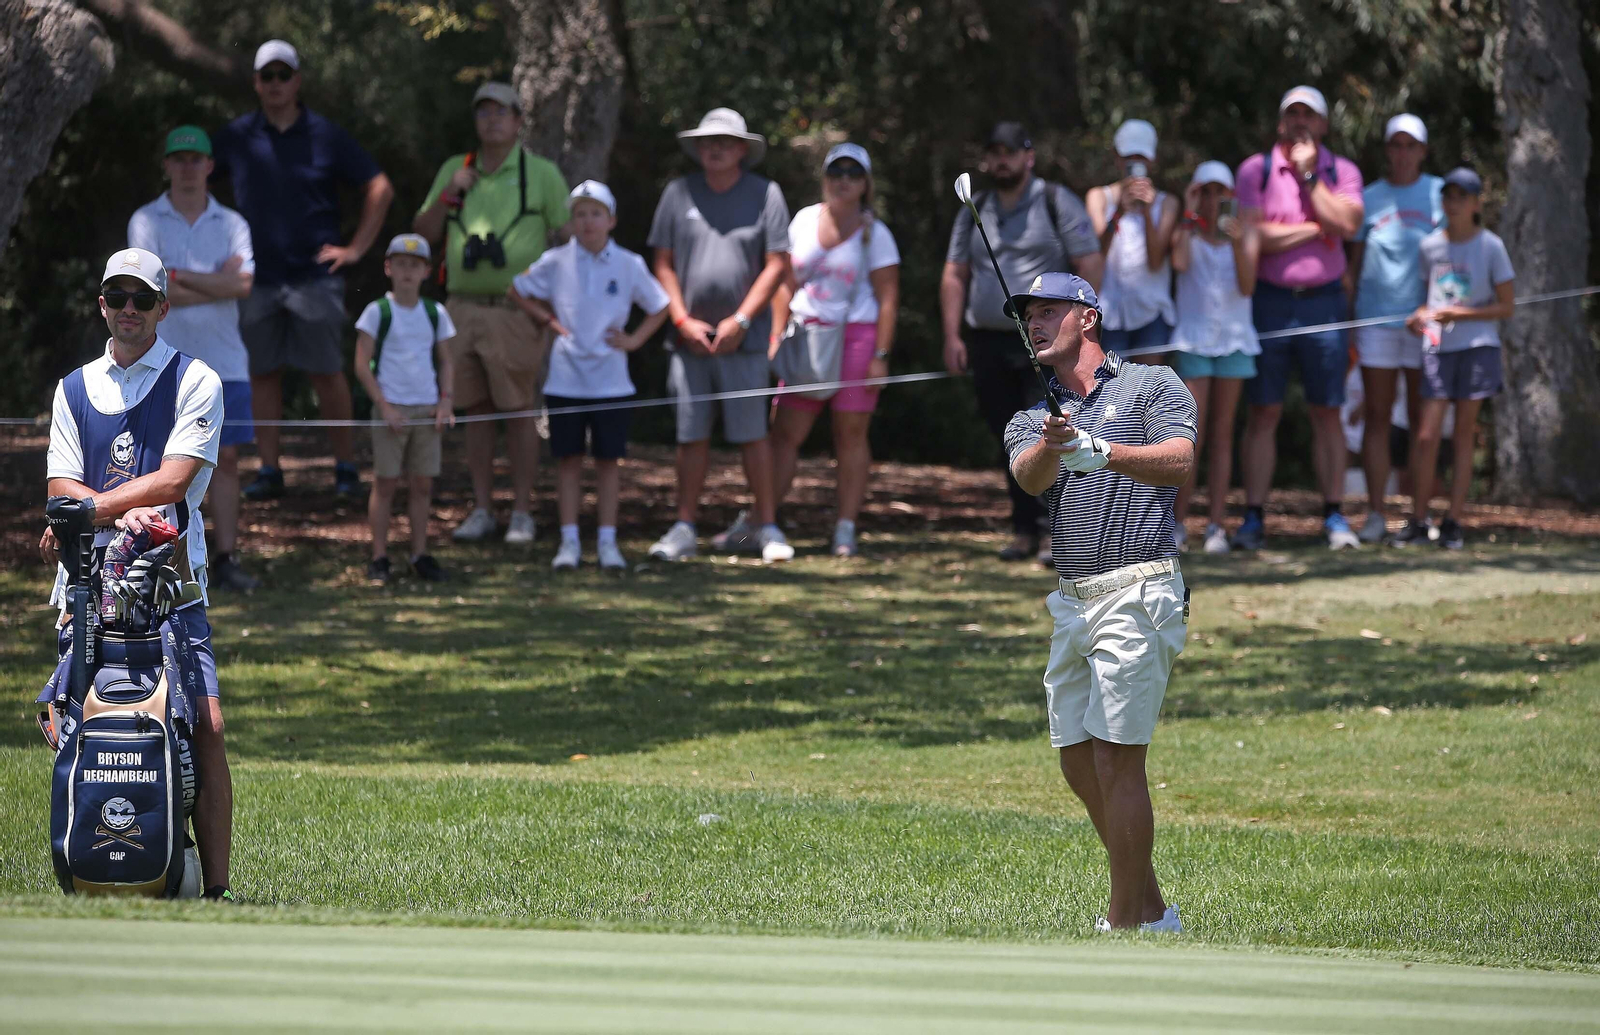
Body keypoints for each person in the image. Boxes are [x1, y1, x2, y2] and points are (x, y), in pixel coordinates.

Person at [1003, 272, 1196, 932]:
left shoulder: (1151, 385)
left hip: (1140, 588)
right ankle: (1150, 906)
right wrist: (1059, 445)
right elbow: (1028, 477)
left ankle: (1124, 922)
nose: (1035, 323)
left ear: (1088, 317)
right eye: (1028, 315)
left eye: (1049, 310)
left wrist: (1104, 451)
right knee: (1078, 760)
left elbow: (1179, 459)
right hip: (1073, 601)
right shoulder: (1033, 417)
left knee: (1118, 754)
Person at [40, 248, 235, 902]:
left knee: (206, 726)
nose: (128, 308)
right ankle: (98, 862)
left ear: (162, 308)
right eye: (116, 296)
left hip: (173, 585)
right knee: (80, 722)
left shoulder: (195, 378)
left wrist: (87, 510)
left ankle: (216, 888)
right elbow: (57, 480)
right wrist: (91, 507)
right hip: (89, 589)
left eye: (141, 299)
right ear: (101, 303)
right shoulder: (73, 388)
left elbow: (176, 478)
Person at [211, 40, 395, 503]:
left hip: (315, 276)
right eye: (266, 76)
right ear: (256, 83)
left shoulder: (326, 135)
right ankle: (270, 470)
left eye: (283, 75)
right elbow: (194, 185)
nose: (275, 84)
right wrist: (219, 246)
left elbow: (379, 187)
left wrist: (355, 249)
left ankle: (346, 468)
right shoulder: (236, 136)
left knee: (326, 372)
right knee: (263, 373)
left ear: (297, 80)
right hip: (257, 278)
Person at [415, 82, 571, 546]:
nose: (492, 120)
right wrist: (448, 196)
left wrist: (555, 303)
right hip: (460, 308)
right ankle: (482, 508)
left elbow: (567, 242)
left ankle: (522, 511)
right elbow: (421, 234)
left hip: (516, 311)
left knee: (519, 411)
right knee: (474, 412)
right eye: (483, 112)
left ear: (519, 121)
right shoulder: (454, 169)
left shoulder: (540, 173)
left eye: (502, 112)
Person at [942, 122, 1104, 564]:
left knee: (1052, 430)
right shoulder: (975, 207)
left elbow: (1089, 262)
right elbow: (955, 272)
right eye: (994, 152)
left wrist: (1082, 330)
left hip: (1045, 342)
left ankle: (1060, 533)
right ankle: (1024, 531)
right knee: (1008, 436)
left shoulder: (1055, 201)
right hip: (987, 342)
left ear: (1028, 156)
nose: (1002, 161)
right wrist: (952, 334)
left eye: (1010, 152)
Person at [645, 107, 794, 564]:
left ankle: (767, 527)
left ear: (742, 150)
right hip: (688, 340)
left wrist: (743, 320)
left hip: (743, 340)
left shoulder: (766, 193)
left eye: (725, 143)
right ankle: (684, 527)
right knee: (690, 436)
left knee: (753, 436)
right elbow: (663, 262)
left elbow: (777, 264)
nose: (715, 148)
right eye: (708, 142)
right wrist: (681, 320)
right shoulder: (677, 193)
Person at [509, 180, 671, 572]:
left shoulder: (629, 263)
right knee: (568, 461)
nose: (587, 222)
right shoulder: (554, 260)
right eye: (580, 214)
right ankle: (569, 543)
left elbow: (659, 305)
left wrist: (634, 341)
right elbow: (518, 288)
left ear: (611, 220)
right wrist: (548, 320)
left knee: (607, 463)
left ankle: (607, 543)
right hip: (565, 380)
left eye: (595, 214)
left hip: (611, 382)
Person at [127, 125, 262, 591]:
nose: (187, 167)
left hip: (226, 362)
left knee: (224, 462)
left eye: (195, 158)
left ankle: (226, 558)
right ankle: (157, 558)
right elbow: (150, 293)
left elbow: (242, 286)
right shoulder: (146, 220)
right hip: (162, 361)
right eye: (178, 159)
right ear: (166, 165)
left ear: (209, 166)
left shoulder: (232, 224)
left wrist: (180, 276)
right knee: (157, 464)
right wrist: (212, 280)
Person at [1233, 85, 1365, 550]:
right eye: (1292, 115)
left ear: (1324, 125)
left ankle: (1334, 516)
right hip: (1269, 301)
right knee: (1263, 410)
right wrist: (1316, 226)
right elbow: (1252, 236)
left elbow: (1348, 225)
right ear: (1280, 123)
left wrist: (1311, 179)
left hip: (1325, 302)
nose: (1300, 123)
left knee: (1328, 411)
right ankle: (1253, 518)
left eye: (1309, 116)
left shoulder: (1341, 170)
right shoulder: (1256, 169)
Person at [768, 143, 901, 558]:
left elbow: (888, 298)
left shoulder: (876, 233)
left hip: (857, 338)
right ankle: (763, 518)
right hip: (805, 336)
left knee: (850, 435)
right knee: (785, 432)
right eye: (835, 171)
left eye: (853, 173)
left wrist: (881, 354)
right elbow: (785, 282)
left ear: (865, 183)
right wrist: (775, 334)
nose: (843, 180)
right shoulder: (805, 220)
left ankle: (845, 528)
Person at [1399, 168, 1514, 550]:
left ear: (1476, 203)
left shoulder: (1491, 246)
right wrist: (1419, 317)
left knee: (1463, 435)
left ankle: (1453, 522)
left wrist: (1459, 315)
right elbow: (1426, 300)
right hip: (1437, 348)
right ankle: (1418, 520)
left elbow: (1506, 306)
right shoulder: (1430, 246)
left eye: (1462, 196)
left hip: (1478, 347)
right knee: (1428, 435)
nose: (1454, 203)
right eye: (1448, 195)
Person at [1346, 114, 1443, 543]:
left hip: (1427, 323)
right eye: (1396, 145)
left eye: (1411, 145)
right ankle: (1375, 513)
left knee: (1425, 422)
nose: (1403, 153)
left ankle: (1420, 517)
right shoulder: (1369, 198)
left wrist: (1437, 308)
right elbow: (1354, 266)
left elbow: (1451, 260)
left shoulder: (1441, 194)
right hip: (1376, 322)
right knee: (1379, 418)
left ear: (1422, 150)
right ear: (1388, 150)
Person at [352, 235, 457, 584]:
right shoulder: (376, 311)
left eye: (415, 265)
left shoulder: (435, 313)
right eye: (400, 264)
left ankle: (419, 553)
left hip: (426, 409)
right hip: (391, 408)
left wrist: (445, 401)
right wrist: (383, 406)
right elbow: (362, 363)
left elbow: (445, 360)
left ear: (426, 271)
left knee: (423, 484)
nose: (407, 271)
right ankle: (379, 556)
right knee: (385, 483)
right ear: (388, 268)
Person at [1169, 161, 1261, 554]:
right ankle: (1177, 524)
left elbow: (1247, 285)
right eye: (1204, 191)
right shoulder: (1186, 233)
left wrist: (1238, 242)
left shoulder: (1246, 234)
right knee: (1192, 436)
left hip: (1235, 342)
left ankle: (1216, 526)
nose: (1212, 199)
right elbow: (1179, 263)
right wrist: (1188, 213)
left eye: (1219, 192)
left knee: (1222, 436)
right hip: (1193, 342)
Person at [1085, 120, 1179, 364]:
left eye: (1141, 157)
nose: (1135, 164)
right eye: (1129, 157)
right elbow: (1096, 256)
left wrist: (1146, 212)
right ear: (1117, 158)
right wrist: (1118, 211)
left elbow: (1156, 261)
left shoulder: (1167, 203)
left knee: (1148, 392)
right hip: (1109, 312)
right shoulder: (1099, 197)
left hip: (1152, 312)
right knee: (1111, 392)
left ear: (1152, 159)